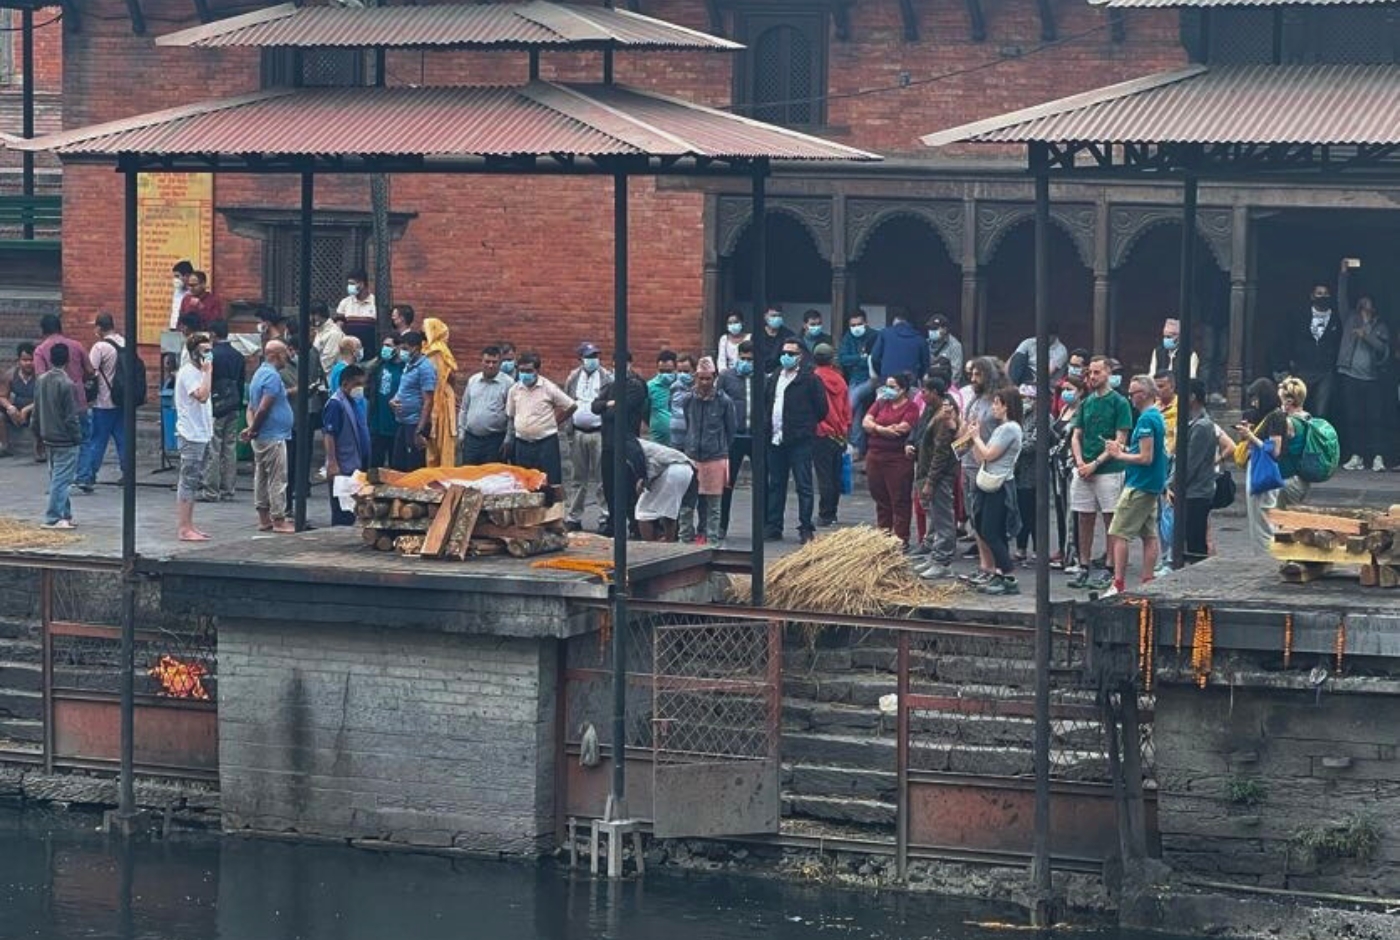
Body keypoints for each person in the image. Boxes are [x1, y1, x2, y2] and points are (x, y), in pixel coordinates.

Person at [1069, 355, 1132, 590]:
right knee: (1084, 516)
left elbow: (1120, 439)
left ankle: (1109, 566)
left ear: (1108, 373)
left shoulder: (1119, 402)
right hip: (1084, 466)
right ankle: (1083, 564)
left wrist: (1095, 464)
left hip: (1109, 468)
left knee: (1110, 518)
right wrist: (1080, 462)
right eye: (1090, 373)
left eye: (1097, 372)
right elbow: (1076, 434)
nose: (1092, 377)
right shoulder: (1086, 403)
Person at [1102, 376, 1168, 596]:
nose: (1131, 397)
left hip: (1140, 483)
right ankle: (1147, 579)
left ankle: (1118, 582)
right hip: (1152, 484)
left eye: (1135, 392)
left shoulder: (1147, 420)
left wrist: (1120, 454)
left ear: (1147, 394)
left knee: (1119, 532)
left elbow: (1146, 457)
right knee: (1149, 534)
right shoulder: (1156, 416)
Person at [765, 339, 829, 543]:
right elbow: (768, 401)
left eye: (791, 353)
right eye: (784, 352)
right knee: (776, 484)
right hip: (776, 437)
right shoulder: (776, 375)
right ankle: (774, 525)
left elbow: (822, 409)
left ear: (800, 356)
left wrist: (804, 426)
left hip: (800, 439)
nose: (786, 356)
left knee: (804, 485)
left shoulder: (810, 379)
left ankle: (805, 527)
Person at [963, 387, 1024, 595]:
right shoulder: (1001, 429)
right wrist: (973, 439)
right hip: (988, 482)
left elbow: (988, 454)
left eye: (997, 403)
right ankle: (999, 573)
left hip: (1000, 485)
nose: (994, 408)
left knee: (990, 530)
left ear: (1007, 406)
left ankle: (1007, 574)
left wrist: (976, 437)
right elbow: (981, 457)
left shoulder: (1010, 429)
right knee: (986, 527)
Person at [1335, 261, 1390, 472]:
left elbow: (1382, 350)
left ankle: (1377, 457)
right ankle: (1356, 455)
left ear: (1374, 306)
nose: (1364, 305)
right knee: (1354, 417)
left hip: (1372, 378)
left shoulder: (1381, 326)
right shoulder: (1350, 319)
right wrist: (1343, 275)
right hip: (1349, 375)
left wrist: (1366, 335)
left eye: (1368, 303)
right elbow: (1341, 300)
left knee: (1374, 418)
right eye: (1362, 302)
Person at [1173, 379, 1232, 564]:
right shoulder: (1195, 423)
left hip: (1197, 491)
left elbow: (1191, 462)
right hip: (1193, 489)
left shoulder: (1202, 426)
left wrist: (1174, 484)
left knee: (1195, 541)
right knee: (1190, 538)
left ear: (1192, 397)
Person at [593, 353, 650, 538]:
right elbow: (595, 406)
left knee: (629, 488)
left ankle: (634, 525)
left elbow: (615, 413)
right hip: (608, 444)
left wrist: (607, 407)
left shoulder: (636, 385)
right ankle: (613, 524)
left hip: (627, 444)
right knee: (609, 488)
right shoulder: (610, 385)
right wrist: (608, 404)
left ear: (629, 364)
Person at [241, 340, 295, 533]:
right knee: (276, 478)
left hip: (262, 435)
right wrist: (254, 429)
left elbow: (251, 407)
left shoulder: (259, 373)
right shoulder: (271, 376)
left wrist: (251, 429)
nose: (288, 357)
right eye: (285, 353)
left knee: (262, 477)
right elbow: (263, 407)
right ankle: (279, 519)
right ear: (276, 355)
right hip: (273, 436)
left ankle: (264, 518)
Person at [863, 371, 920, 547]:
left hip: (897, 459)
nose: (888, 390)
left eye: (892, 387)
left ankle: (901, 538)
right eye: (886, 386)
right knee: (880, 497)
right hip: (875, 455)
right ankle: (883, 534)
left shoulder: (911, 407)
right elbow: (866, 422)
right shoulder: (880, 403)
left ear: (903, 389)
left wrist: (876, 427)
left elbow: (902, 428)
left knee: (900, 499)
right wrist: (881, 430)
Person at [910, 376, 959, 579]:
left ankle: (943, 560)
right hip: (926, 470)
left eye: (925, 391)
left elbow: (941, 452)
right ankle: (935, 554)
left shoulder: (944, 416)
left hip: (939, 475)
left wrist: (931, 481)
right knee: (936, 519)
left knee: (943, 518)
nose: (922, 395)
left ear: (935, 393)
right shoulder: (932, 410)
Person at [682, 357, 735, 545]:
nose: (704, 382)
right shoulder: (688, 399)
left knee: (714, 505)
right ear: (696, 377)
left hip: (715, 456)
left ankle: (712, 541)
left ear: (714, 378)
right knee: (687, 504)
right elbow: (688, 426)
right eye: (701, 378)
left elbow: (730, 430)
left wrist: (719, 447)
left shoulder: (724, 401)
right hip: (692, 455)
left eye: (708, 378)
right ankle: (685, 539)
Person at [959, 357, 1002, 575]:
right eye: (972, 375)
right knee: (974, 517)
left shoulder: (997, 401)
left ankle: (993, 566)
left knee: (988, 520)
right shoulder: (974, 401)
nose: (973, 379)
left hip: (988, 465)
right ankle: (984, 565)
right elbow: (966, 430)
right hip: (967, 463)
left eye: (978, 375)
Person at [505, 352, 575, 485]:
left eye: (529, 371)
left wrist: (556, 421)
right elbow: (511, 416)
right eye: (522, 371)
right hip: (522, 444)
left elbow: (571, 406)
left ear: (537, 371)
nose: (525, 374)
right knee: (524, 484)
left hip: (545, 444)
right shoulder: (514, 390)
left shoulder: (549, 388)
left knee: (550, 484)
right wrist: (509, 438)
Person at [76, 313, 127, 493]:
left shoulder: (100, 347)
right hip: (122, 400)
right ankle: (128, 474)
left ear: (99, 327)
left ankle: (88, 475)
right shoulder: (124, 342)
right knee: (123, 439)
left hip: (104, 401)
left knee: (97, 440)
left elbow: (90, 371)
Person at [564, 343, 611, 533]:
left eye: (595, 356)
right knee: (578, 478)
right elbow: (567, 401)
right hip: (578, 432)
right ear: (580, 358)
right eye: (589, 356)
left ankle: (605, 515)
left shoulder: (607, 377)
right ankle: (574, 516)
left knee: (602, 477)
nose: (593, 360)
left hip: (599, 432)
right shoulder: (574, 377)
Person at [1277, 282, 1341, 419]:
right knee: (1299, 407)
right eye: (1319, 294)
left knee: (1321, 411)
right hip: (1303, 368)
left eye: (1325, 294)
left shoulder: (1336, 318)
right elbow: (1289, 339)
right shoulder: (1300, 316)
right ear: (1312, 296)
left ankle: (1316, 438)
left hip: (1325, 371)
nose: (1322, 297)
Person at [34, 342, 81, 530]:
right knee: (62, 480)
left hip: (47, 435)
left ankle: (64, 514)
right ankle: (53, 517)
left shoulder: (41, 380)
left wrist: (36, 432)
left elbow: (37, 410)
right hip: (64, 438)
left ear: (50, 359)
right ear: (67, 360)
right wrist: (77, 436)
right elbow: (71, 417)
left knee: (58, 477)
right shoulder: (67, 384)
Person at [173, 333, 214, 542]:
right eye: (205, 351)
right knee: (188, 480)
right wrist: (207, 373)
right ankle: (184, 527)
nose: (209, 355)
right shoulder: (189, 372)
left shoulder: (200, 371)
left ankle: (190, 524)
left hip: (203, 432)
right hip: (191, 434)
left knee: (195, 480)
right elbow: (202, 396)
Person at [200, 320, 245, 502]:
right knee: (230, 447)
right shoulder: (238, 355)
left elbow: (206, 379)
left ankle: (211, 489)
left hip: (216, 405)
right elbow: (241, 382)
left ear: (213, 334)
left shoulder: (211, 355)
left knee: (214, 447)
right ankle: (229, 488)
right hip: (233, 404)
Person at [33, 314, 93, 448]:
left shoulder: (40, 351)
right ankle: (82, 470)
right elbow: (90, 371)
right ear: (61, 329)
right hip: (79, 401)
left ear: (43, 331)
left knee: (59, 447)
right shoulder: (77, 345)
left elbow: (40, 379)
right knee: (84, 442)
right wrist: (80, 380)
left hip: (54, 407)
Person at [323, 364, 370, 527]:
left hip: (354, 463)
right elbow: (329, 435)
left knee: (352, 508)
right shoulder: (336, 404)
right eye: (357, 384)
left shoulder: (354, 403)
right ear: (345, 384)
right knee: (342, 510)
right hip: (342, 465)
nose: (360, 388)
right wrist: (332, 462)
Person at [717, 340, 755, 542]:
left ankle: (765, 525)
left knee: (763, 484)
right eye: (743, 358)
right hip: (733, 437)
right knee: (726, 484)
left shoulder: (763, 378)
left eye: (750, 359)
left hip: (756, 436)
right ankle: (721, 525)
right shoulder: (726, 377)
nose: (746, 362)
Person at [810, 344, 851, 527]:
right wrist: (844, 428)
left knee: (824, 475)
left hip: (820, 431)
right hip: (839, 433)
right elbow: (847, 408)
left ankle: (825, 514)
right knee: (835, 475)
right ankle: (832, 512)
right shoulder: (840, 380)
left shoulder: (813, 378)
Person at [388, 330, 436, 473]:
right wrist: (393, 401)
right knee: (398, 464)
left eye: (404, 349)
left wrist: (419, 431)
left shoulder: (425, 368)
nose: (401, 352)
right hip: (403, 422)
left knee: (413, 468)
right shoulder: (409, 365)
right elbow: (403, 389)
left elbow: (428, 401)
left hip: (415, 424)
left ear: (415, 348)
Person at [457, 345, 512, 466]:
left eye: (494, 362)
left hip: (495, 441)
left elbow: (512, 415)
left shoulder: (508, 383)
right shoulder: (473, 380)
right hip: (471, 440)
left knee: (491, 479)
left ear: (500, 363)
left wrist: (508, 438)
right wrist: (461, 433)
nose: (490, 365)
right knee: (469, 477)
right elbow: (464, 408)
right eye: (487, 361)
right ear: (481, 362)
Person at [635, 439, 695, 542]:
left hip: (671, 469)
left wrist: (645, 481)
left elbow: (653, 464)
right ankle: (668, 543)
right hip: (687, 468)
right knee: (670, 511)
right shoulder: (644, 444)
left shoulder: (634, 447)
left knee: (643, 512)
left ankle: (649, 547)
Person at [838, 310, 879, 457]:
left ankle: (854, 444)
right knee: (856, 411)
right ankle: (857, 448)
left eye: (859, 324)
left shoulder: (875, 336)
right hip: (856, 379)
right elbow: (843, 359)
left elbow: (876, 359)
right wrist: (862, 358)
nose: (856, 327)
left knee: (851, 404)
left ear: (866, 323)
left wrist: (858, 360)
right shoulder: (848, 337)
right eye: (853, 325)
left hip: (874, 379)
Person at [421, 318, 458, 468]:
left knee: (443, 442)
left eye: (425, 328)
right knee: (432, 443)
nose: (422, 331)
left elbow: (444, 378)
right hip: (432, 399)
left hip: (440, 400)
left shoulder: (437, 351)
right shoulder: (427, 349)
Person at [367, 335, 404, 468]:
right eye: (384, 345)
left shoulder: (406, 368)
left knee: (396, 467)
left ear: (398, 347)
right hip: (378, 424)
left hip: (397, 424)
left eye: (388, 345)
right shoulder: (379, 365)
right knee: (375, 466)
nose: (385, 349)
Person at [870, 307, 929, 385]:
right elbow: (925, 366)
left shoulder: (885, 333)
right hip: (909, 383)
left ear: (895, 319)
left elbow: (874, 357)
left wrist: (882, 373)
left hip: (887, 382)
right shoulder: (920, 339)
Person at [0, 343, 39, 459]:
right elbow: (2, 396)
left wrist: (27, 410)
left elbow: (45, 399)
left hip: (34, 409)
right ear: (18, 360)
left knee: (41, 414)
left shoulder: (40, 376)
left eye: (31, 360)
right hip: (16, 411)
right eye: (24, 360)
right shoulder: (11, 375)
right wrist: (10, 407)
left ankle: (39, 448)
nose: (28, 363)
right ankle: (5, 446)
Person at [337, 270, 377, 348]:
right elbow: (338, 326)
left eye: (352, 283)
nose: (349, 287)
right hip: (349, 352)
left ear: (361, 284)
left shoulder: (375, 302)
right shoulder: (345, 302)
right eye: (348, 284)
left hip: (370, 350)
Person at [754, 307, 797, 374]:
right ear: (765, 316)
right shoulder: (758, 334)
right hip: (760, 374)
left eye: (779, 315)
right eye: (773, 316)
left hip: (782, 373)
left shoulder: (789, 335)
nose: (777, 318)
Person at [647, 350, 678, 444]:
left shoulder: (682, 385)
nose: (664, 375)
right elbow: (645, 409)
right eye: (661, 371)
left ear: (675, 369)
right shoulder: (650, 386)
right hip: (658, 438)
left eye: (668, 371)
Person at [926, 314, 964, 380]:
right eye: (930, 328)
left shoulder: (954, 345)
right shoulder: (926, 343)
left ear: (945, 329)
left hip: (946, 385)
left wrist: (948, 388)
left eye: (935, 328)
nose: (932, 331)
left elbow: (956, 372)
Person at [311, 302, 344, 376]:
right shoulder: (320, 330)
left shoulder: (334, 333)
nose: (310, 318)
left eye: (313, 315)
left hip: (328, 379)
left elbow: (327, 362)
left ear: (319, 314)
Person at [168, 259, 194, 330]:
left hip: (187, 330)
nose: (175, 279)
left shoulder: (194, 293)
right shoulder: (177, 290)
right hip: (174, 328)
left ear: (187, 276)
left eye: (177, 276)